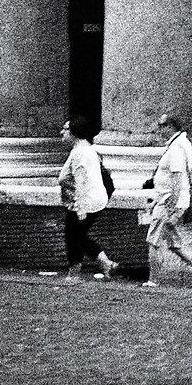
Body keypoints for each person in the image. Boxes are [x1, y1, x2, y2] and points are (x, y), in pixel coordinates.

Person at [145, 110, 192, 289]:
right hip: (169, 199)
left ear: (171, 127)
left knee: (153, 240)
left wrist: (171, 204)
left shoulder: (177, 147)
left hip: (169, 201)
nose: (159, 129)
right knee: (174, 243)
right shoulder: (178, 144)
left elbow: (178, 177)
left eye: (162, 125)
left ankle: (153, 280)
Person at [58, 117, 119, 280]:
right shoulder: (85, 149)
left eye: (65, 129)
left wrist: (80, 207)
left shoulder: (80, 152)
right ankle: (106, 264)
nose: (62, 132)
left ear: (75, 132)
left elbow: (81, 180)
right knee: (78, 236)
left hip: (85, 200)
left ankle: (74, 274)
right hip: (91, 199)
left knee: (72, 237)